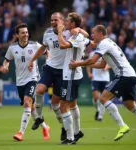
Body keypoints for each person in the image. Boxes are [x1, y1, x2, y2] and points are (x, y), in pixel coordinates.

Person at [69, 24, 136, 141]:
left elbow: (92, 60)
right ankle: (122, 126)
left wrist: (77, 63)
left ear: (100, 34)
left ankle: (122, 126)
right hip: (130, 75)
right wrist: (81, 65)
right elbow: (101, 65)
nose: (92, 35)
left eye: (93, 33)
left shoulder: (104, 44)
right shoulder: (108, 42)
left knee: (103, 99)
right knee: (130, 105)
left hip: (124, 76)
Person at [28, 12, 88, 142]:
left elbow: (86, 36)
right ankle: (39, 117)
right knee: (39, 91)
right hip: (50, 68)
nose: (53, 22)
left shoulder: (69, 32)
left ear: (62, 21)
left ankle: (65, 128)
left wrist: (78, 29)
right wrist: (32, 60)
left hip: (63, 72)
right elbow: (43, 48)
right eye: (52, 20)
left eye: (56, 20)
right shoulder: (48, 33)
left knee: (57, 104)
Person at [3, 23, 50, 141]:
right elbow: (7, 60)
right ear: (17, 35)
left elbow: (47, 52)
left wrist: (47, 63)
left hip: (33, 78)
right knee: (31, 107)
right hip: (20, 81)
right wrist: (5, 66)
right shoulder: (12, 48)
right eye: (23, 33)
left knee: (27, 102)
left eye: (27, 32)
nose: (26, 35)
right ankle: (45, 127)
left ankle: (20, 132)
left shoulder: (35, 45)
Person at [57, 12, 90, 144]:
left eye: (67, 21)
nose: (65, 22)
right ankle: (77, 132)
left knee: (63, 106)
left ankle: (70, 138)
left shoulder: (76, 37)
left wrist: (60, 32)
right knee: (72, 104)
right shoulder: (80, 35)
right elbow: (90, 41)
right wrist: (81, 30)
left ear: (73, 24)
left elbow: (62, 45)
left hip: (70, 75)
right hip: (74, 74)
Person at [86, 50, 110, 121]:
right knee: (96, 97)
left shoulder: (107, 52)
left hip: (105, 78)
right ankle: (98, 109)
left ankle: (100, 116)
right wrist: (89, 73)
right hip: (95, 78)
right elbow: (88, 64)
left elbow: (111, 64)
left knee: (103, 98)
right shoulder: (92, 53)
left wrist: (106, 67)